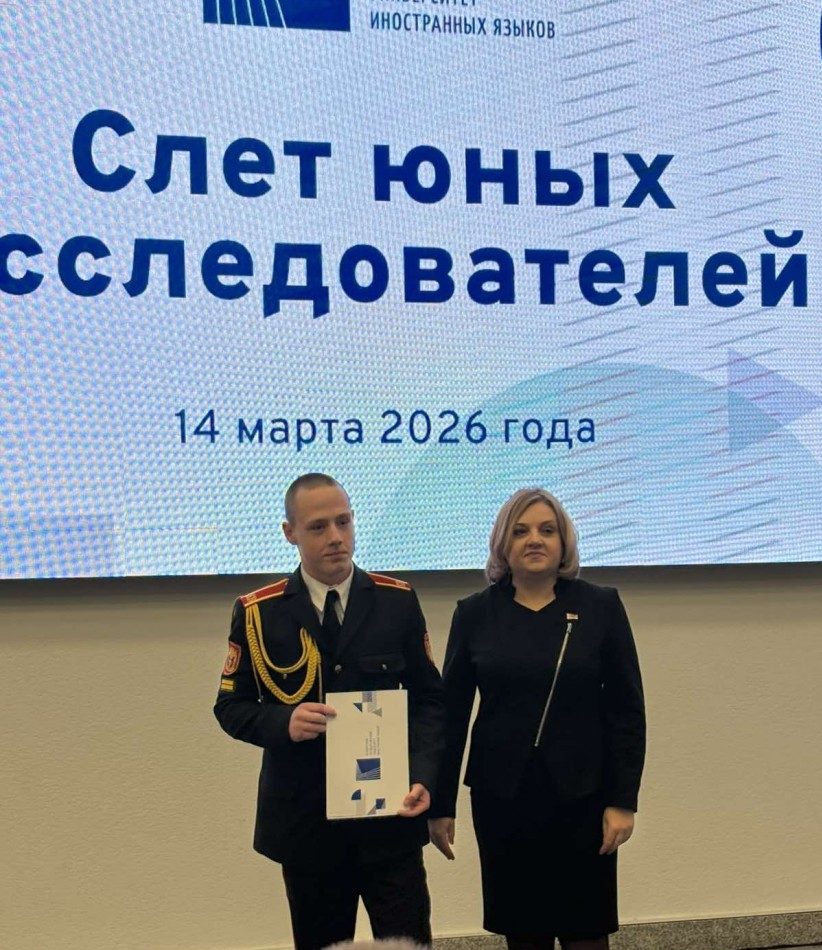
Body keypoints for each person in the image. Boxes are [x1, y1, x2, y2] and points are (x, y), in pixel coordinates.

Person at [214, 473, 444, 950]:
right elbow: (230, 707)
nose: (336, 537)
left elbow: (430, 701)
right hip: (307, 826)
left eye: (344, 521)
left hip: (390, 822)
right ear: (290, 533)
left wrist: (424, 775)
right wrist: (284, 721)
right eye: (318, 527)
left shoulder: (397, 601)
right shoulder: (259, 612)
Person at [428, 488, 645, 950]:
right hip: (504, 800)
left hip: (584, 799)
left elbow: (627, 711)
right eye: (520, 531)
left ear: (564, 542)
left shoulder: (601, 607)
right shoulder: (474, 613)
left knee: (586, 935)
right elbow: (451, 716)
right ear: (502, 544)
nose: (534, 540)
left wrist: (623, 800)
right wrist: (440, 805)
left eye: (547, 530)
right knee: (525, 935)